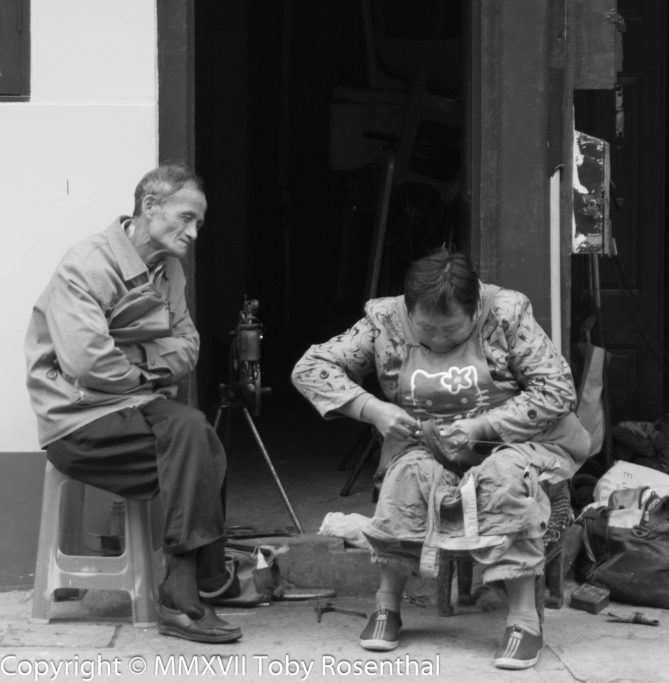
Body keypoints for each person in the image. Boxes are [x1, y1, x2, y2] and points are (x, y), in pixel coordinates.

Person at [292, 247, 590, 669]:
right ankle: (386, 606)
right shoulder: (384, 321)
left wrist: (481, 426)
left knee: (505, 479)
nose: (436, 341)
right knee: (408, 477)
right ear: (408, 310)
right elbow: (311, 366)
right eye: (426, 330)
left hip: (514, 441)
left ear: (474, 310)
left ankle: (524, 620)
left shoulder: (507, 313)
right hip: (427, 441)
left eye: (450, 331)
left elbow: (557, 390)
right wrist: (373, 410)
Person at [25, 163, 241, 644]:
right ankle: (190, 585)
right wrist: (148, 371)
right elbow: (88, 364)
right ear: (149, 206)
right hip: (77, 422)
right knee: (193, 435)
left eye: (199, 224)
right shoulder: (87, 264)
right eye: (186, 218)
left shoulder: (170, 271)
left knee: (198, 436)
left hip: (135, 408)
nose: (193, 233)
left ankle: (193, 582)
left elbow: (188, 347)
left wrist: (131, 358)